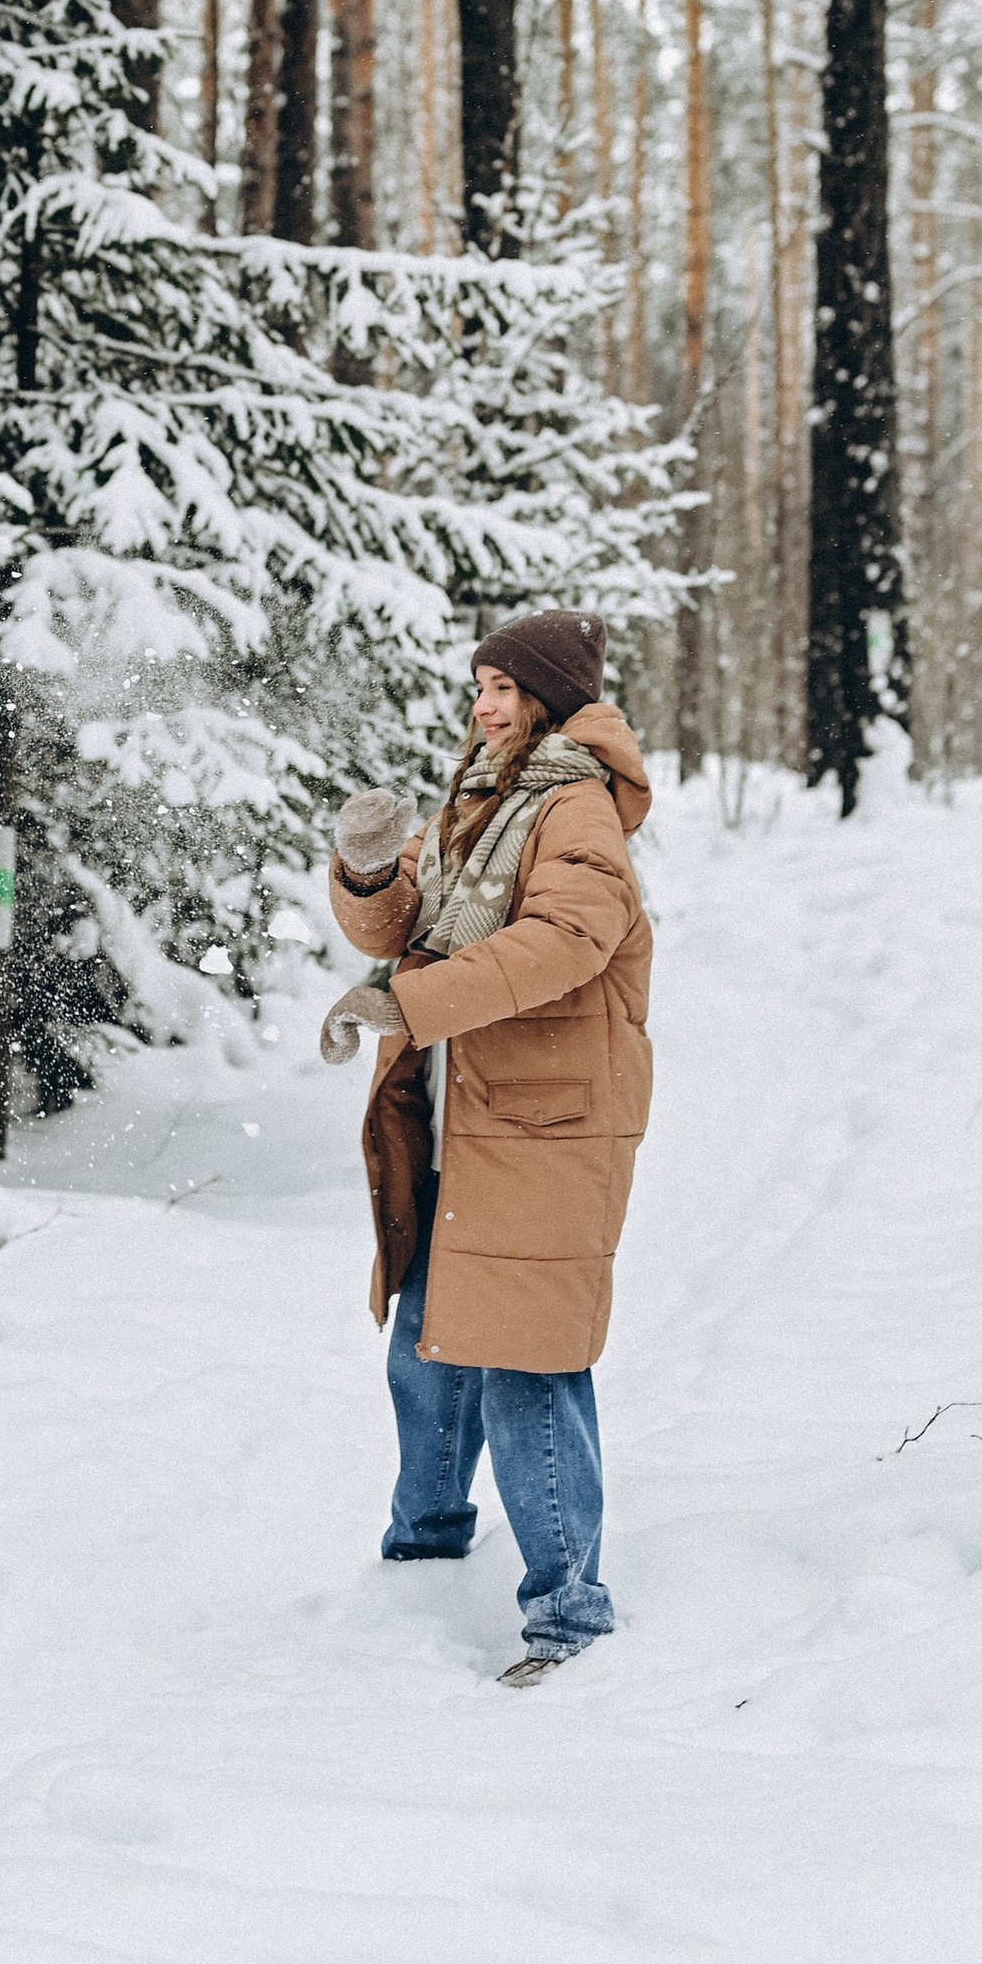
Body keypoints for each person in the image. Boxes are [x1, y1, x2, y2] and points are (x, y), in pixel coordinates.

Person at [318, 609, 652, 1685]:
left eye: (505, 686)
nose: (483, 702)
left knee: (525, 1364)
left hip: (544, 1125)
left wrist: (404, 1002)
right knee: (424, 1335)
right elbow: (408, 923)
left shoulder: (575, 806)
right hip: (464, 1116)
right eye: (480, 683)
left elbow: (562, 941)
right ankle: (422, 1555)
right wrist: (369, 874)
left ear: (550, 698)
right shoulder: (484, 796)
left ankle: (569, 1611)